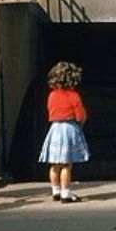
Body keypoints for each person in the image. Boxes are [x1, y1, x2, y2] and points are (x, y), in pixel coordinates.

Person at [38, 61, 89, 203]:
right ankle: (66, 193)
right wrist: (81, 123)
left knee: (54, 164)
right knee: (67, 165)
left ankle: (55, 190)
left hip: (55, 128)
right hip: (69, 128)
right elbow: (80, 115)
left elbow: (50, 110)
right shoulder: (74, 96)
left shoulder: (52, 95)